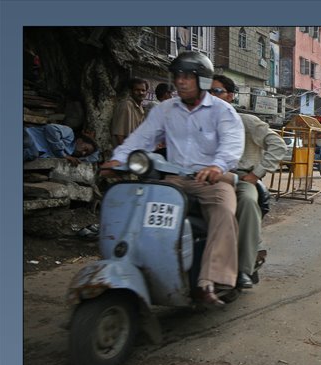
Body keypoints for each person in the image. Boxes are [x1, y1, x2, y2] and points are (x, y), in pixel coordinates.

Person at [100, 52, 245, 307]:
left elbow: (232, 145)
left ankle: (210, 281)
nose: (180, 81)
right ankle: (145, 264)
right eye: (178, 76)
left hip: (211, 180)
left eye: (188, 76)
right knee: (141, 205)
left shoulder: (222, 110)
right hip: (174, 178)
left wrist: (217, 166)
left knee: (223, 212)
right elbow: (141, 138)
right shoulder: (165, 110)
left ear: (202, 80)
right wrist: (117, 160)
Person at [210, 74, 287, 290]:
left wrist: (257, 174)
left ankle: (244, 269)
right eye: (208, 92)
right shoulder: (202, 123)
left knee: (246, 201)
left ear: (231, 96)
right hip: (210, 177)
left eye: (217, 92)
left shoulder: (246, 121)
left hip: (241, 177)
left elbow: (278, 145)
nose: (212, 97)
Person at [23, 123, 99, 164]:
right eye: (85, 149)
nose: (83, 153)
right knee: (31, 152)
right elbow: (51, 128)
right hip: (27, 136)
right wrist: (62, 154)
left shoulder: (69, 155)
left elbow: (94, 159)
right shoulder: (69, 134)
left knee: (31, 154)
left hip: (30, 151)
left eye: (85, 154)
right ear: (79, 140)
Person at [110, 77, 148, 148]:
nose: (141, 93)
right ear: (131, 91)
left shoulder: (140, 108)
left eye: (143, 90)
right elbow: (119, 134)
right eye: (137, 90)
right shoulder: (127, 105)